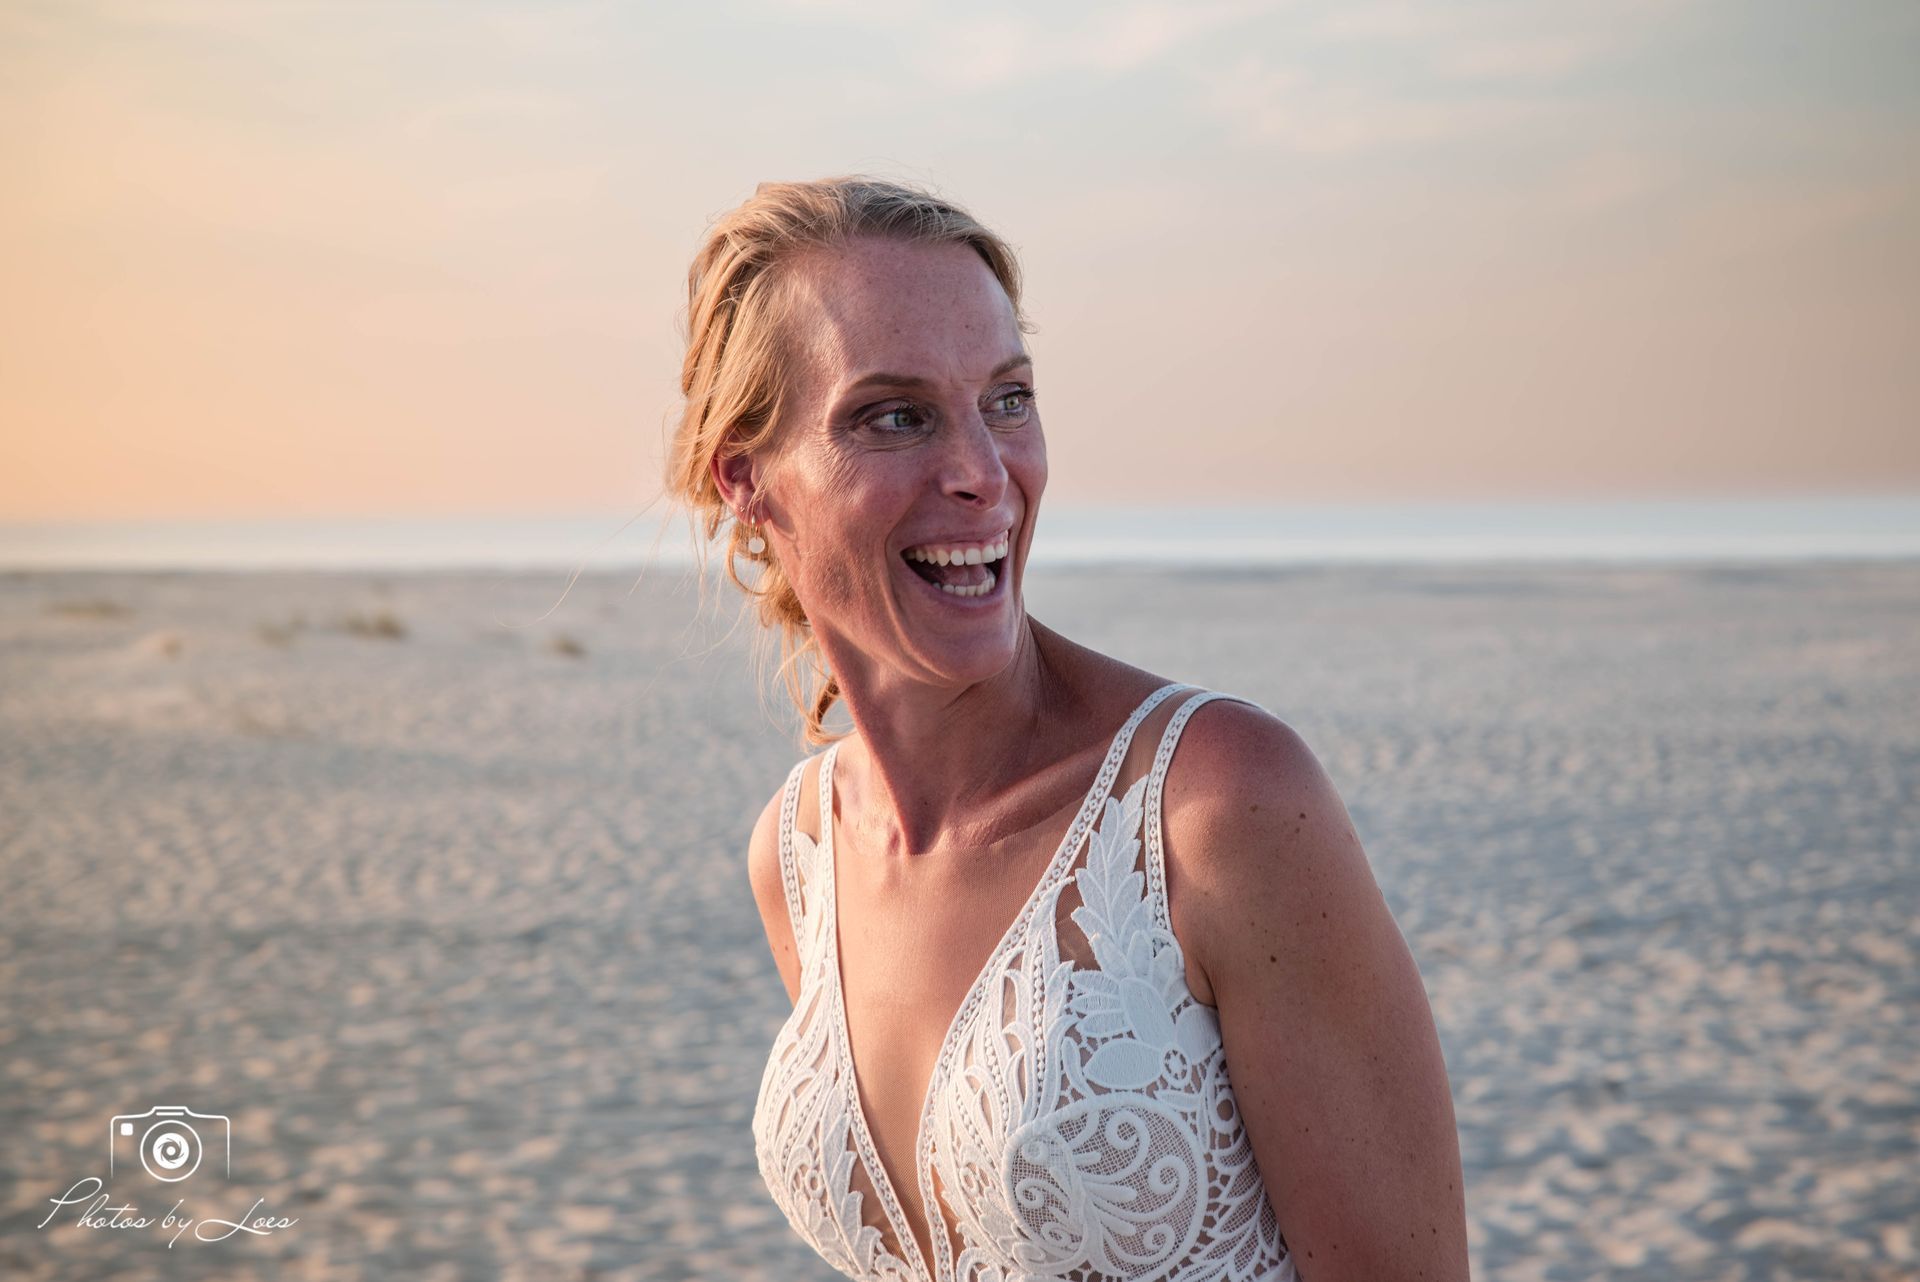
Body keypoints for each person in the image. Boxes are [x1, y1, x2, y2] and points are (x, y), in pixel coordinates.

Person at [665, 175, 1469, 1282]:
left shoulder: (1215, 804)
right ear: (747, 478)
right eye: (896, 415)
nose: (982, 473)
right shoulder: (798, 855)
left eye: (1008, 399)